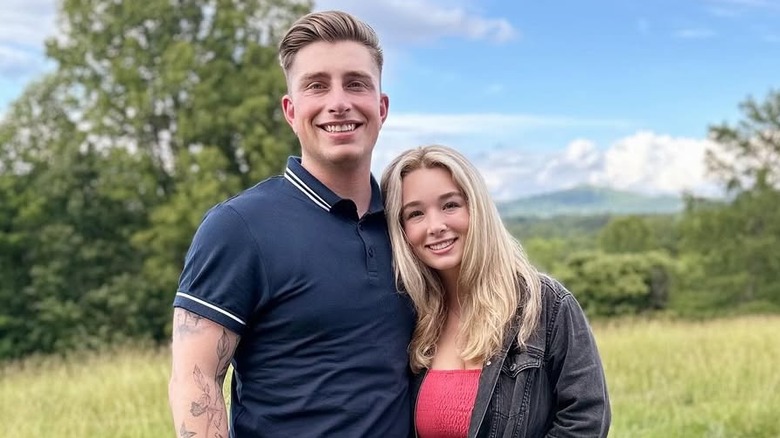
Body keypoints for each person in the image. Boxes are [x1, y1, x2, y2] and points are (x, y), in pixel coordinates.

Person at [168, 10, 415, 438]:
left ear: (382, 106)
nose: (339, 101)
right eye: (317, 85)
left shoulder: (408, 225)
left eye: (355, 83)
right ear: (291, 109)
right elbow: (195, 379)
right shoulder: (239, 227)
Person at [380, 145, 611, 438]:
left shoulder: (546, 305)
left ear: (476, 208)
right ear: (401, 230)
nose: (435, 226)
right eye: (415, 214)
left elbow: (586, 420)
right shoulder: (407, 315)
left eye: (450, 205)